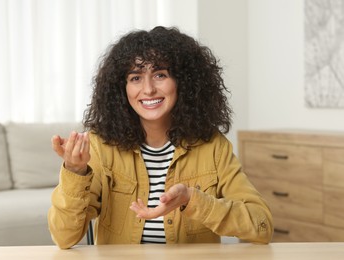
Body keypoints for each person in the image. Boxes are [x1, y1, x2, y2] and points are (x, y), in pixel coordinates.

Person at [48, 26, 273, 249]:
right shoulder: (101, 146)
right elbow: (64, 238)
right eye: (135, 78)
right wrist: (75, 171)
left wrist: (192, 200)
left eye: (160, 75)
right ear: (122, 88)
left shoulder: (213, 147)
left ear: (182, 81)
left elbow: (261, 226)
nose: (148, 89)